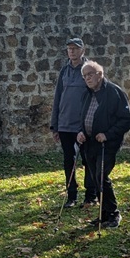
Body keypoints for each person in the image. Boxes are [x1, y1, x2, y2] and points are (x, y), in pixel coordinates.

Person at [76, 61, 130, 229]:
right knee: (95, 178)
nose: (87, 78)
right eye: (85, 76)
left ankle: (114, 213)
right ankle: (103, 214)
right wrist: (81, 131)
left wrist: (107, 135)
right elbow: (83, 117)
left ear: (100, 74)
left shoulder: (114, 92)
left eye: (90, 74)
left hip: (106, 144)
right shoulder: (87, 93)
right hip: (89, 143)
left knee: (102, 177)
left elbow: (127, 120)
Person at [51, 37, 91, 208]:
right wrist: (55, 125)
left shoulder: (89, 69)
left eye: (75, 48)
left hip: (85, 125)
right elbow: (57, 97)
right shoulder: (64, 71)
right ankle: (71, 195)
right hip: (65, 124)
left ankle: (91, 195)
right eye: (69, 49)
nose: (72, 52)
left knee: (89, 160)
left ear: (83, 50)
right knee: (69, 161)